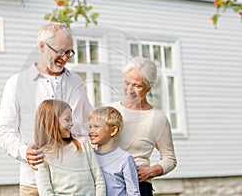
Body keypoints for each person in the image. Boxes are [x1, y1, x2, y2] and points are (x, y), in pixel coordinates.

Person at [0, 22, 93, 196]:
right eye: (60, 51)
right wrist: (24, 152)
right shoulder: (16, 84)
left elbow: (90, 122)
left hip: (74, 183)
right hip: (34, 183)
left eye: (69, 52)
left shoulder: (76, 81)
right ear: (42, 46)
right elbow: (4, 131)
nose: (65, 58)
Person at [109, 57, 177, 196]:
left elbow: (170, 158)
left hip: (138, 185)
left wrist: (152, 170)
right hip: (108, 181)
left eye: (137, 85)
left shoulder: (157, 118)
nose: (130, 90)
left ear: (149, 87)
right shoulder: (109, 110)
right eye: (127, 83)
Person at [34, 99, 106, 196]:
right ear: (52, 122)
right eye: (67, 120)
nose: (71, 123)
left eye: (71, 119)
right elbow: (45, 192)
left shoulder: (83, 144)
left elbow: (99, 178)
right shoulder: (41, 156)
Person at [88, 106, 140, 196]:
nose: (91, 131)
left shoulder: (125, 158)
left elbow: (133, 192)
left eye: (96, 126)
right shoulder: (89, 156)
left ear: (113, 130)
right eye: (90, 127)